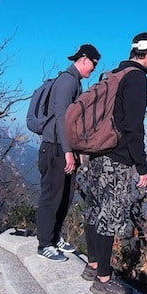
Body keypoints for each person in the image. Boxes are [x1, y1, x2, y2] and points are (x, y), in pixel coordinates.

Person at [82, 32, 147, 294]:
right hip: (117, 158)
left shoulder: (114, 74)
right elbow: (133, 127)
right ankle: (103, 279)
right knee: (110, 215)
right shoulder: (136, 79)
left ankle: (93, 265)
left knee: (94, 209)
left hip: (97, 152)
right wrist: (141, 166)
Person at [36, 44, 101, 262]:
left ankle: (55, 238)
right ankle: (44, 243)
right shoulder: (67, 81)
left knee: (65, 196)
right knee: (51, 197)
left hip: (61, 147)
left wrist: (76, 150)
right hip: (54, 147)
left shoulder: (74, 82)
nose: (93, 69)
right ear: (84, 59)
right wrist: (67, 151)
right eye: (93, 63)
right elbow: (63, 118)